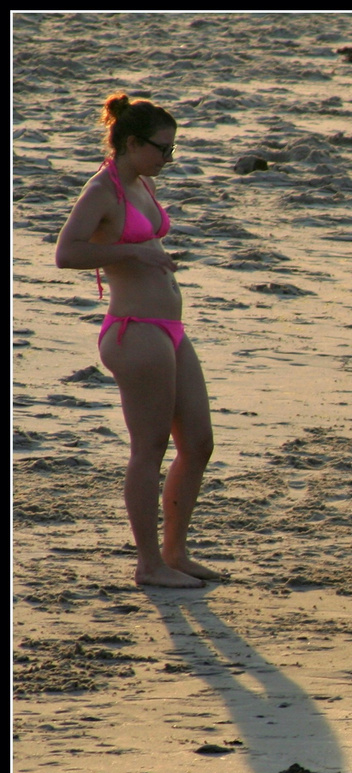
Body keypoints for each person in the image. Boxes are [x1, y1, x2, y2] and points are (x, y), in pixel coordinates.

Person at [55, 93, 217, 589]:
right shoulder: (102, 190)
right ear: (130, 142)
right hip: (134, 331)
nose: (169, 159)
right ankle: (149, 564)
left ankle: (175, 552)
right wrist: (135, 255)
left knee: (199, 444)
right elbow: (66, 253)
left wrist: (145, 254)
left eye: (173, 149)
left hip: (169, 329)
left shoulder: (141, 181)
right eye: (163, 149)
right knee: (149, 448)